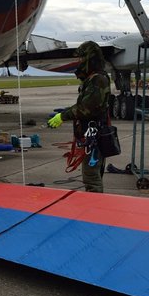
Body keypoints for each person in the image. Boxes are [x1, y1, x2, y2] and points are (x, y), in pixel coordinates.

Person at [46, 40, 112, 192]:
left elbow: (88, 108)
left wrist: (63, 116)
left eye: (82, 58)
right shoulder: (93, 79)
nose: (79, 62)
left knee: (91, 177)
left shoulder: (98, 80)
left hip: (95, 137)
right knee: (92, 174)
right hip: (91, 136)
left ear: (90, 58)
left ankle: (94, 208)